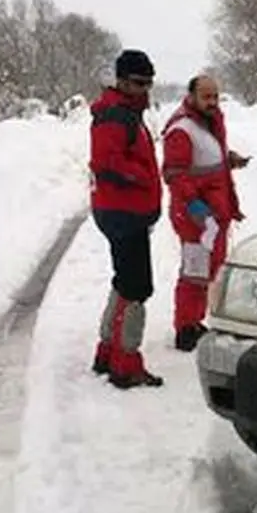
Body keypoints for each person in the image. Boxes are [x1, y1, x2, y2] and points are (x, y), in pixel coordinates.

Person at [88, 49, 165, 389]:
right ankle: (125, 362)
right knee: (137, 287)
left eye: (149, 83)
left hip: (126, 211)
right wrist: (143, 177)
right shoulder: (115, 116)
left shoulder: (127, 114)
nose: (144, 89)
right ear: (121, 81)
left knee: (125, 281)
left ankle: (108, 351)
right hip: (123, 213)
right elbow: (106, 162)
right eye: (137, 83)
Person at [161, 74, 249, 352]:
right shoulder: (181, 129)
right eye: (206, 97)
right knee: (195, 272)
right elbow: (176, 174)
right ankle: (185, 328)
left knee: (210, 269)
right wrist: (194, 206)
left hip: (215, 213)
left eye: (215, 96)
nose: (212, 102)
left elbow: (206, 156)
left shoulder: (210, 121)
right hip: (195, 216)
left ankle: (196, 320)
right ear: (192, 96)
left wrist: (228, 159)